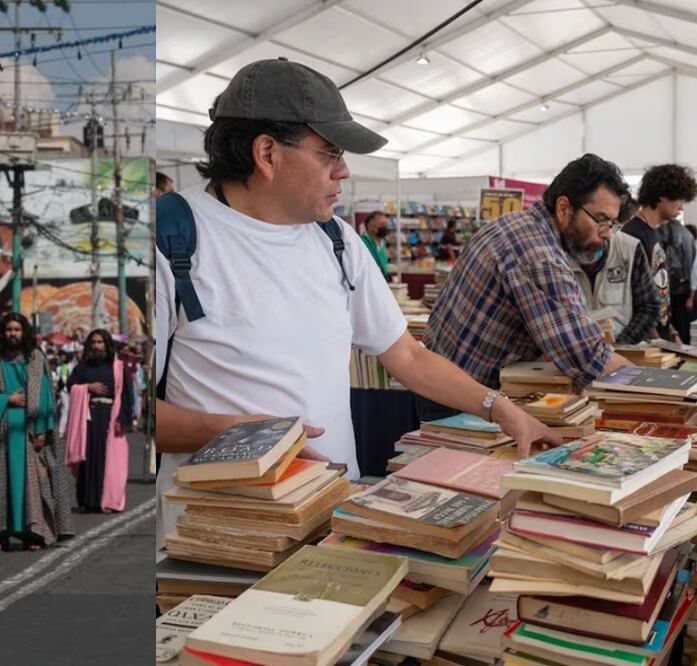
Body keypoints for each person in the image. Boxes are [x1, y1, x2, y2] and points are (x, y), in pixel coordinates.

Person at [155, 57, 558, 549]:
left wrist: (501, 409)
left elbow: (405, 355)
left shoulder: (336, 241)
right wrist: (247, 435)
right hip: (217, 544)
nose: (344, 171)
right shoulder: (171, 239)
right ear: (267, 153)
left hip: (328, 520)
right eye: (331, 152)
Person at [421, 154, 634, 422]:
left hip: (444, 383)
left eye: (612, 224)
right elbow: (587, 358)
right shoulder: (539, 255)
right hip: (460, 401)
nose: (607, 234)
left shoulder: (517, 224)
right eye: (601, 220)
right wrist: (659, 386)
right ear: (564, 208)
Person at [0, 313, 73, 552]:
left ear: (24, 332)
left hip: (28, 433)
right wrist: (7, 399)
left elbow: (46, 397)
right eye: (9, 329)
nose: (13, 334)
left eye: (17, 329)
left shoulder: (35, 358)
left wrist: (41, 431)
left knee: (33, 484)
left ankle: (33, 533)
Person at [623, 164, 697, 342]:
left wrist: (671, 332)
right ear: (663, 195)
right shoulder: (631, 235)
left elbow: (659, 291)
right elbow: (633, 297)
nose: (680, 207)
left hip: (661, 337)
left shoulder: (655, 233)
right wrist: (656, 339)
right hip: (644, 341)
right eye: (678, 199)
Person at [64, 329, 131, 513]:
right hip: (88, 419)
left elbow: (126, 395)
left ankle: (107, 499)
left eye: (100, 342)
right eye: (93, 342)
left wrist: (122, 419)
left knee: (107, 459)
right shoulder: (83, 367)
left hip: (110, 417)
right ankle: (88, 501)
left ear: (107, 344)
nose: (96, 346)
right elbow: (71, 385)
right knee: (88, 458)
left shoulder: (118, 367)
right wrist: (87, 387)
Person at [570, 223, 659, 345]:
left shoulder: (630, 249)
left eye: (611, 224)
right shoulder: (554, 253)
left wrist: (621, 345)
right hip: (572, 355)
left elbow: (649, 306)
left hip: (621, 351)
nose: (608, 234)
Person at [663, 217, 697, 343]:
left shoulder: (668, 233)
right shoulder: (688, 235)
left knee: (677, 325)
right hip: (687, 288)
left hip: (676, 288)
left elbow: (671, 264)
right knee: (686, 325)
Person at [360, 210, 390, 276]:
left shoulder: (382, 243)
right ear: (369, 226)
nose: (384, 227)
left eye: (386, 224)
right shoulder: (361, 243)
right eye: (381, 224)